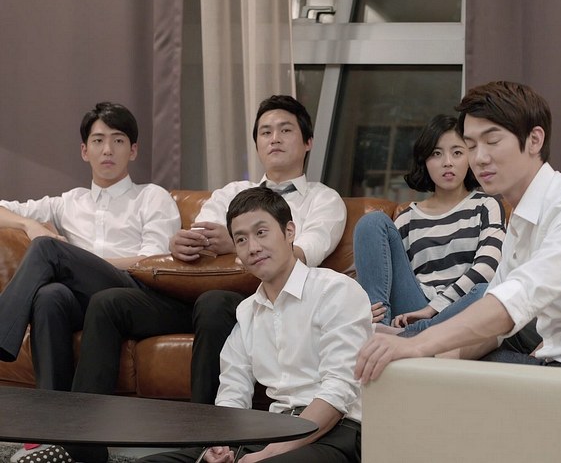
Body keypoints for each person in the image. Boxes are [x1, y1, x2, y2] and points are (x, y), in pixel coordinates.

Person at [56, 95, 345, 463]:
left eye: (285, 130)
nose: (274, 138)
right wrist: (179, 244)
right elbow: (201, 242)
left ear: (308, 142)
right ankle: (81, 447)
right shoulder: (229, 194)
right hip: (190, 294)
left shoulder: (324, 200)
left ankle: (203, 440)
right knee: (108, 302)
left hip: (250, 300)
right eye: (265, 132)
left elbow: (303, 254)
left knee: (214, 302)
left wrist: (235, 243)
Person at [354, 81, 561, 384]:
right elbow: (494, 325)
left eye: (492, 141)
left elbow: (512, 302)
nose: (479, 158)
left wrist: (416, 344)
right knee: (430, 374)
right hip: (556, 363)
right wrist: (435, 361)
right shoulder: (521, 219)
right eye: (471, 146)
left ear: (534, 140)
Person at [0, 102, 180, 462]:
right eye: (98, 141)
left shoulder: (151, 197)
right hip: (86, 302)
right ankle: (52, 432)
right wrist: (29, 224)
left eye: (118, 140)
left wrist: (74, 260)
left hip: (133, 294)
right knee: (49, 296)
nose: (107, 149)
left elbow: (152, 262)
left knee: (49, 250)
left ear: (133, 150)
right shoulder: (69, 202)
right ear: (85, 151)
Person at [141, 186, 370, 463]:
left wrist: (269, 453)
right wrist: (221, 444)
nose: (253, 248)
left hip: (336, 433)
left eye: (261, 233)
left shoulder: (336, 290)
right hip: (272, 431)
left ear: (289, 232)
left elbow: (338, 393)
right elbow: (233, 391)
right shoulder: (247, 311)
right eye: (241, 239)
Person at [352, 114, 505, 335]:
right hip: (414, 305)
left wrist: (433, 310)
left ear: (470, 158)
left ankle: (413, 335)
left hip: (460, 310)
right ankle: (380, 327)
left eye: (457, 152)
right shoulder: (407, 218)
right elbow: (386, 277)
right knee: (372, 221)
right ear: (425, 160)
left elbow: (488, 268)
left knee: (486, 292)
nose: (447, 162)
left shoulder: (486, 205)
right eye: (436, 153)